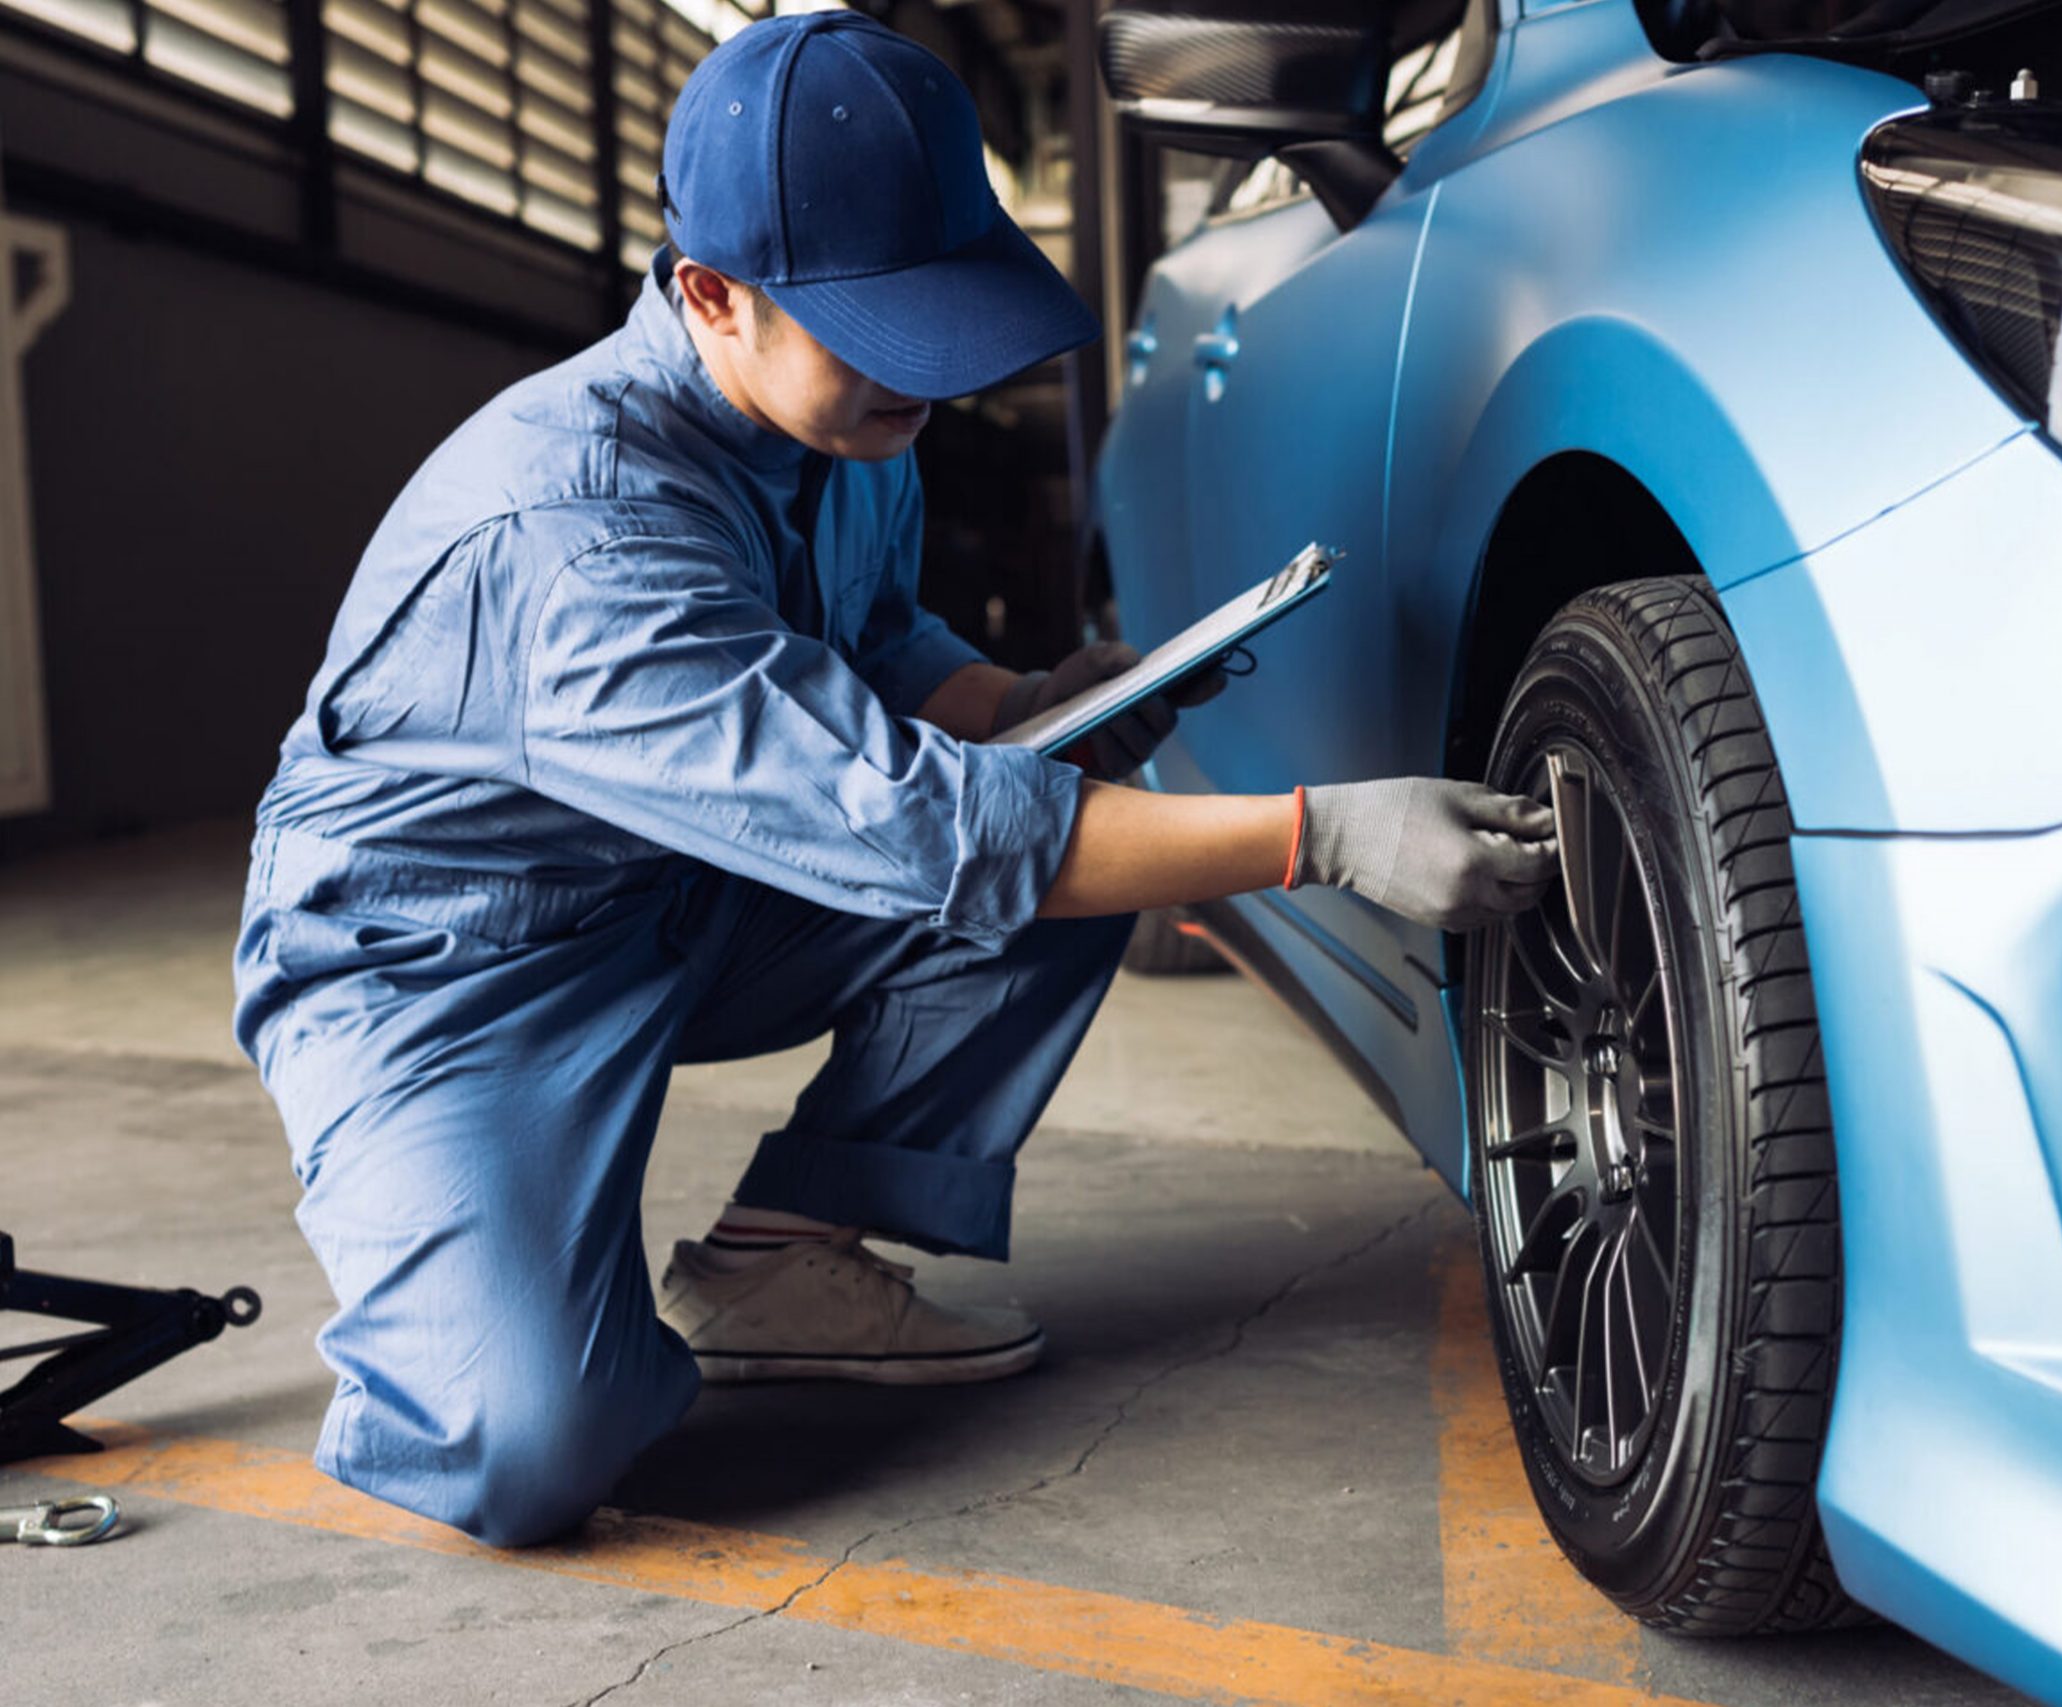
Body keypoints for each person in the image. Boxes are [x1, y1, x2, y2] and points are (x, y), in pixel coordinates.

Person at [232, 8, 1556, 1549]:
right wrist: (1320, 837)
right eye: (882, 328)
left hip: (693, 888)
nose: (926, 372)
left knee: (1061, 799)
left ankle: (776, 1258)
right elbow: (911, 820)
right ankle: (467, 1316)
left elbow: (877, 639)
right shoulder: (577, 538)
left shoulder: (850, 416)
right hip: (444, 965)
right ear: (709, 297)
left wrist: (1038, 702)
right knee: (527, 1446)